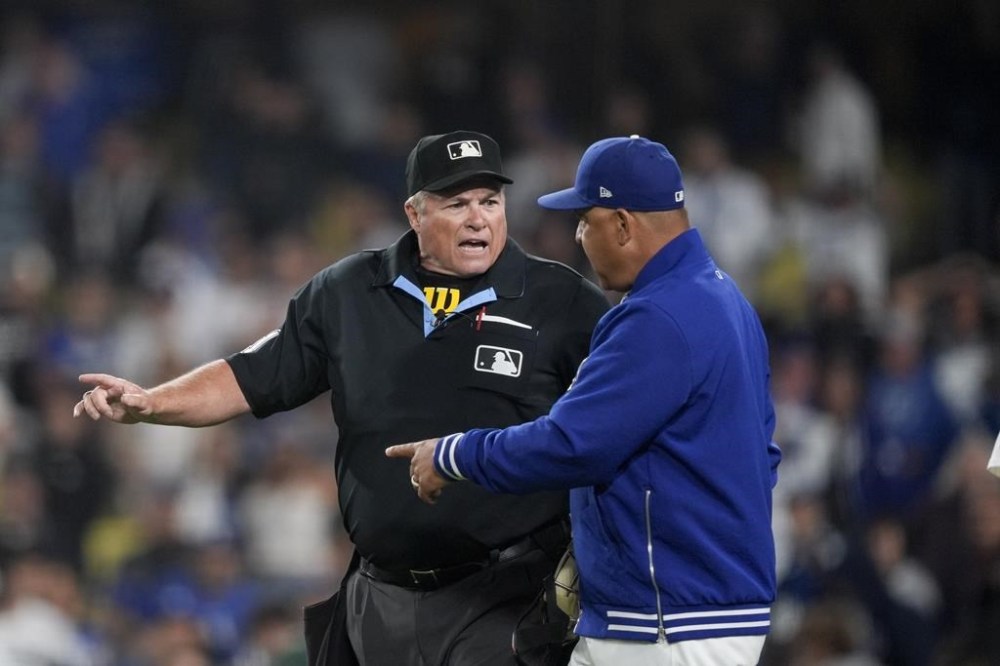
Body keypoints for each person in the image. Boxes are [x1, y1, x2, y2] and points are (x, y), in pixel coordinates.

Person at [73, 130, 610, 665]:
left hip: (508, 596)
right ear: (415, 214)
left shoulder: (560, 301)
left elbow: (620, 418)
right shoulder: (348, 291)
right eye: (456, 204)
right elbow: (249, 376)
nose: (479, 219)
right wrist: (149, 402)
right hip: (380, 598)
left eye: (490, 202)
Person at [388, 135, 782, 666]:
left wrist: (453, 455)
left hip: (668, 624)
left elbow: (571, 444)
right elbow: (762, 456)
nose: (577, 235)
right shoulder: (722, 299)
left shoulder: (660, 317)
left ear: (621, 224)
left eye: (584, 219)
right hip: (683, 610)